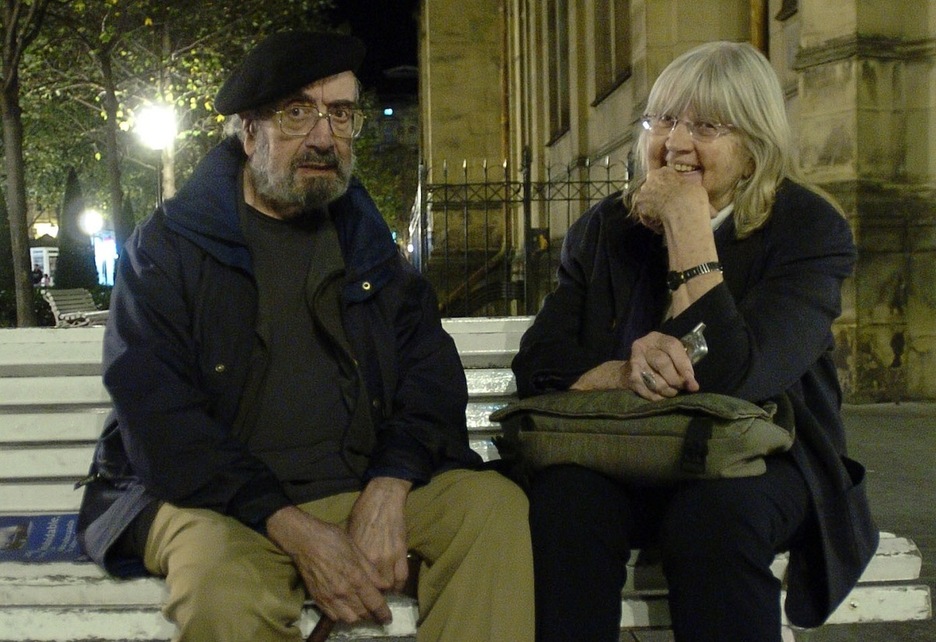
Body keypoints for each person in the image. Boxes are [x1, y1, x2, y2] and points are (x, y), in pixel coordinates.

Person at [76, 31, 533, 642]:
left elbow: (431, 379)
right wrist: (293, 528)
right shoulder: (167, 249)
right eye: (297, 113)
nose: (323, 136)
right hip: (215, 504)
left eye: (340, 114)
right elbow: (161, 421)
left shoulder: (371, 249)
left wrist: (390, 485)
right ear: (247, 130)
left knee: (493, 512)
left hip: (361, 487)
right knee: (223, 593)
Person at [511, 41, 878, 642]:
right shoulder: (606, 228)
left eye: (705, 125)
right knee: (564, 505)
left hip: (761, 454)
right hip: (624, 446)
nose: (675, 143)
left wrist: (687, 225)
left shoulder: (809, 231)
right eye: (663, 120)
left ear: (754, 144)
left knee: (712, 518)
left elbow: (735, 377)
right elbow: (541, 366)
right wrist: (625, 372)